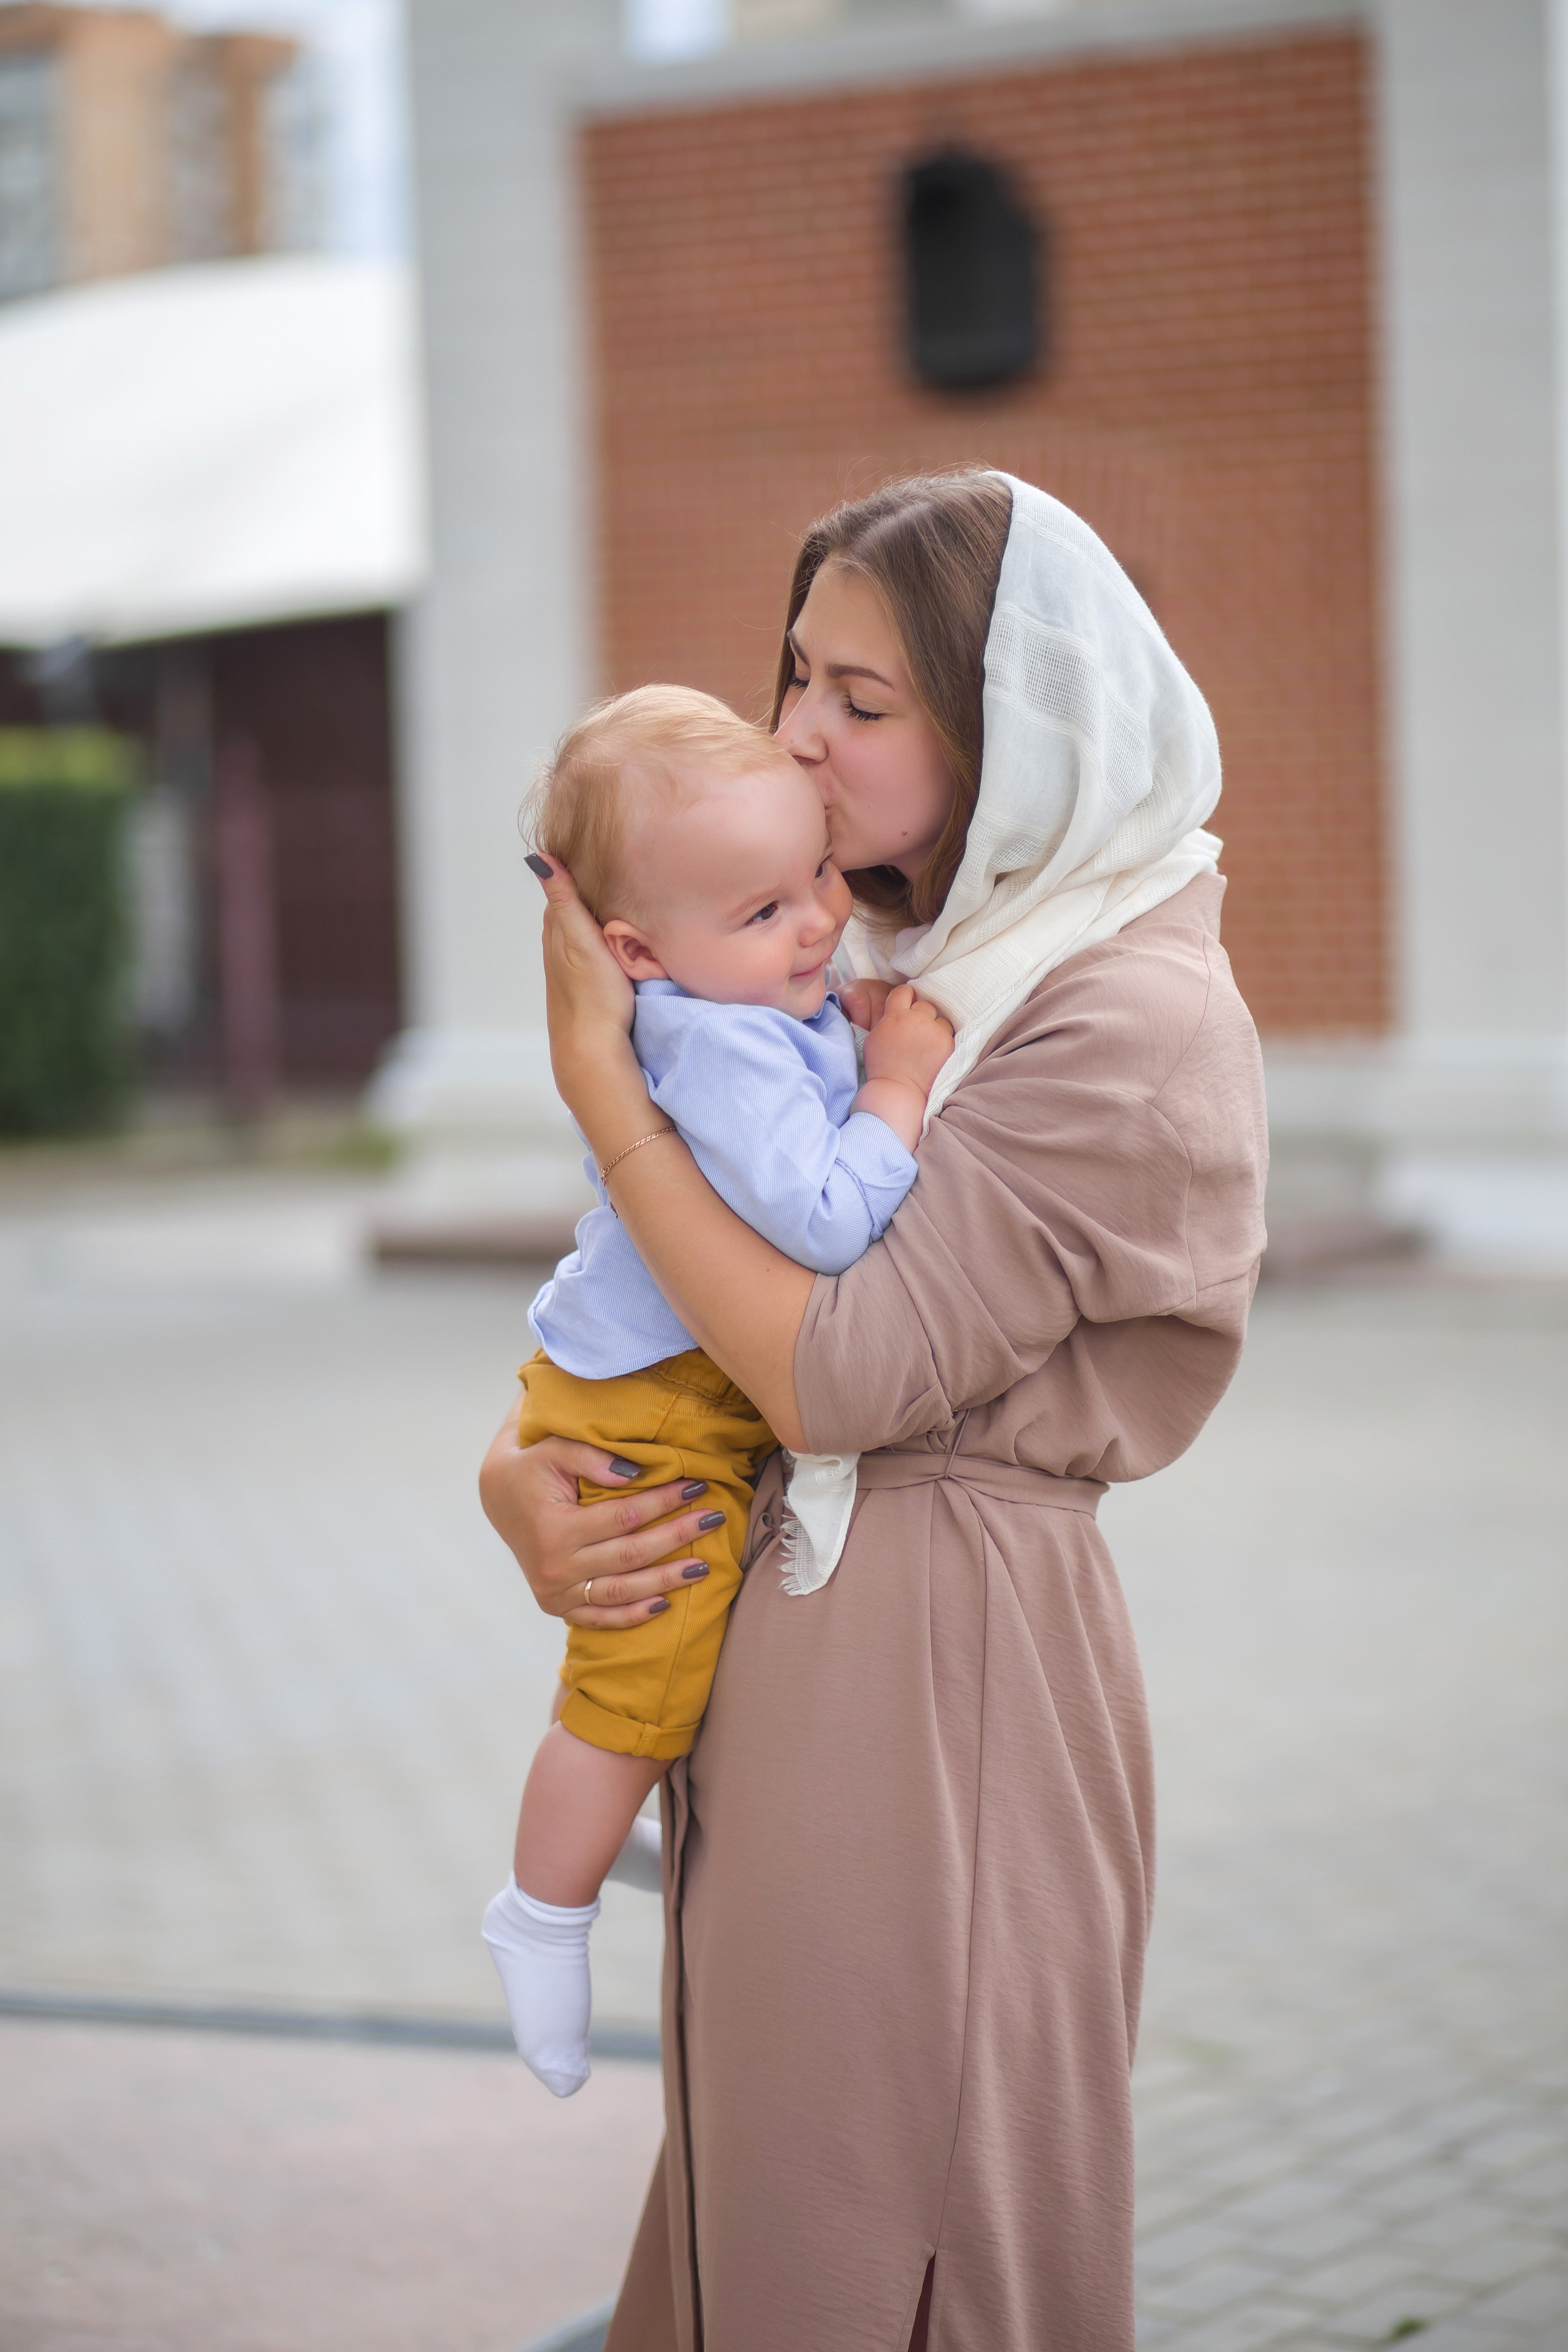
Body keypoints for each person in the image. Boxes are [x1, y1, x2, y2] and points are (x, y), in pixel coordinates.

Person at [481, 470, 1269, 2351]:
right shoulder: (898, 966)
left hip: (949, 1682)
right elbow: (674, 1323)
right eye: (793, 678)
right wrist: (522, 1479)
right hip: (797, 1644)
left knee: (896, 2237)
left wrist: (608, 1089)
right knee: (765, 2223)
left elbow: (837, 1366)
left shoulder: (1122, 1019)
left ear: (1012, 728)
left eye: (863, 699)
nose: (795, 741)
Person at [480, 684, 952, 2098]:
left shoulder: (746, 995)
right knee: (628, 1682)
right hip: (651, 1413)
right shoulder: (719, 1039)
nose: (815, 921)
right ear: (634, 952)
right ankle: (538, 1913)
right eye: (761, 912)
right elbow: (818, 1220)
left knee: (670, 1664)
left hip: (643, 1380)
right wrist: (899, 1086)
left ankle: (616, 1819)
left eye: (814, 874)